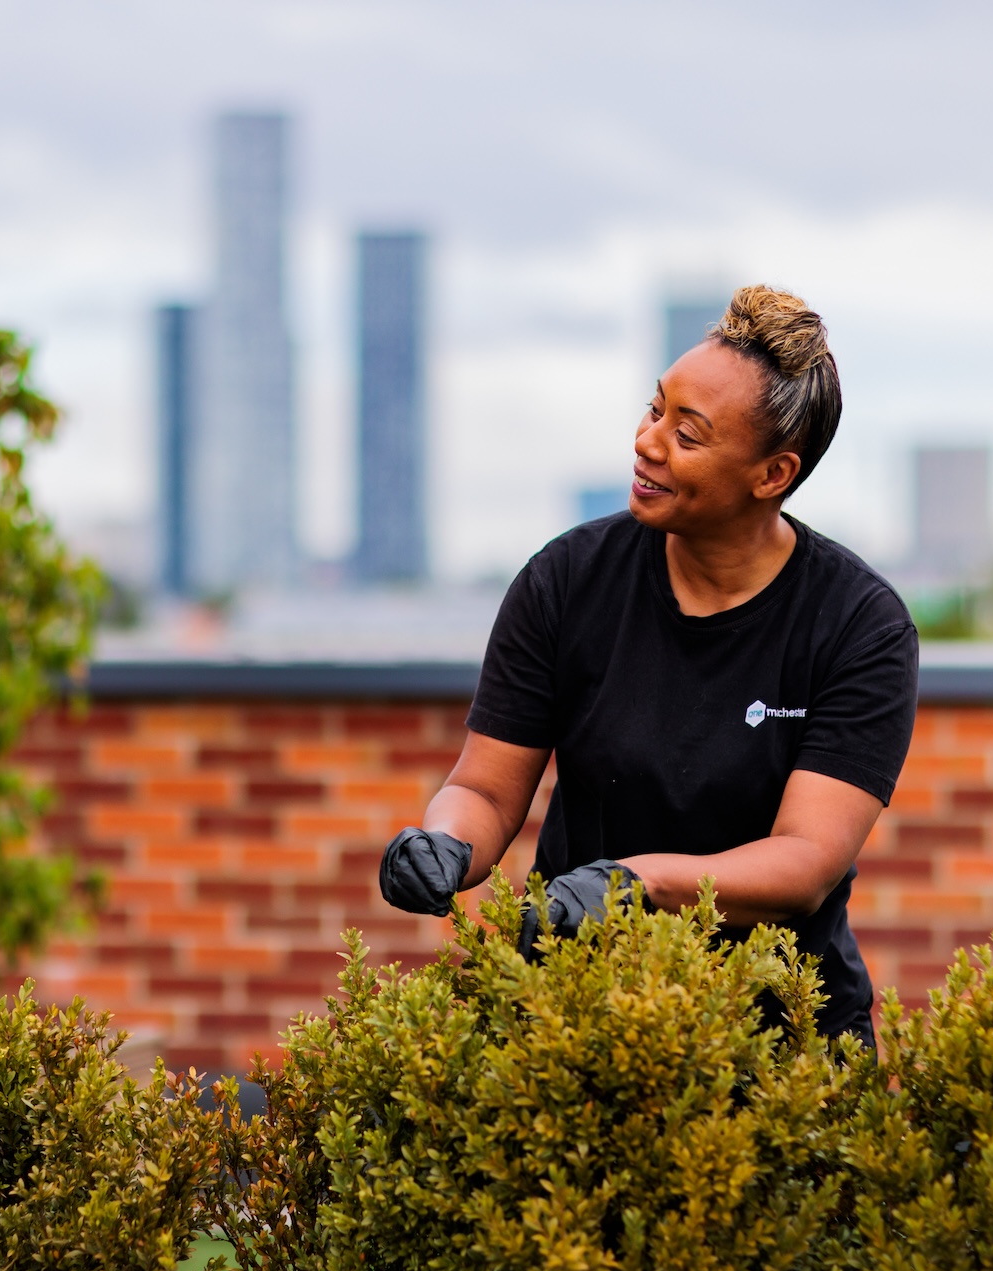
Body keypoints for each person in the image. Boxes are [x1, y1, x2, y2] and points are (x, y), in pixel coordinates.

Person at [378, 285, 917, 1043]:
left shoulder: (858, 624)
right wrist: (444, 844)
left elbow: (805, 863)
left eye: (687, 434)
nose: (648, 441)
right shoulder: (567, 580)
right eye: (654, 408)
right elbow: (484, 791)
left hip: (779, 1045)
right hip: (574, 1022)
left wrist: (636, 884)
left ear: (772, 475)